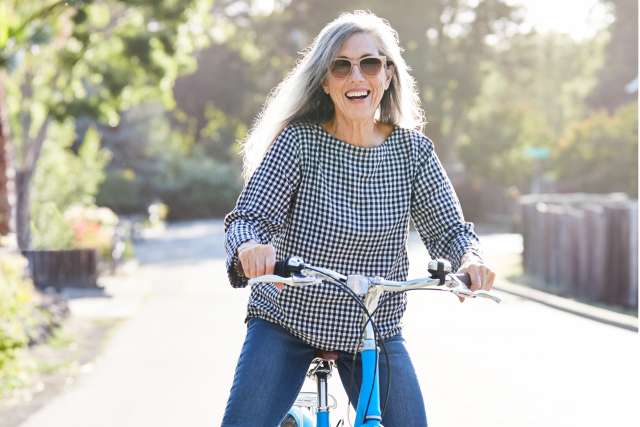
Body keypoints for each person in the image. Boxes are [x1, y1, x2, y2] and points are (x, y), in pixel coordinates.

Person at [221, 10, 496, 427]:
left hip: (373, 329)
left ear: (386, 75)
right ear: (326, 81)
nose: (357, 77)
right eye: (341, 66)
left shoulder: (413, 152)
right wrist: (249, 247)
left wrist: (469, 259)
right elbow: (249, 217)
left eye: (369, 63)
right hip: (288, 320)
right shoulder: (300, 143)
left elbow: (449, 230)